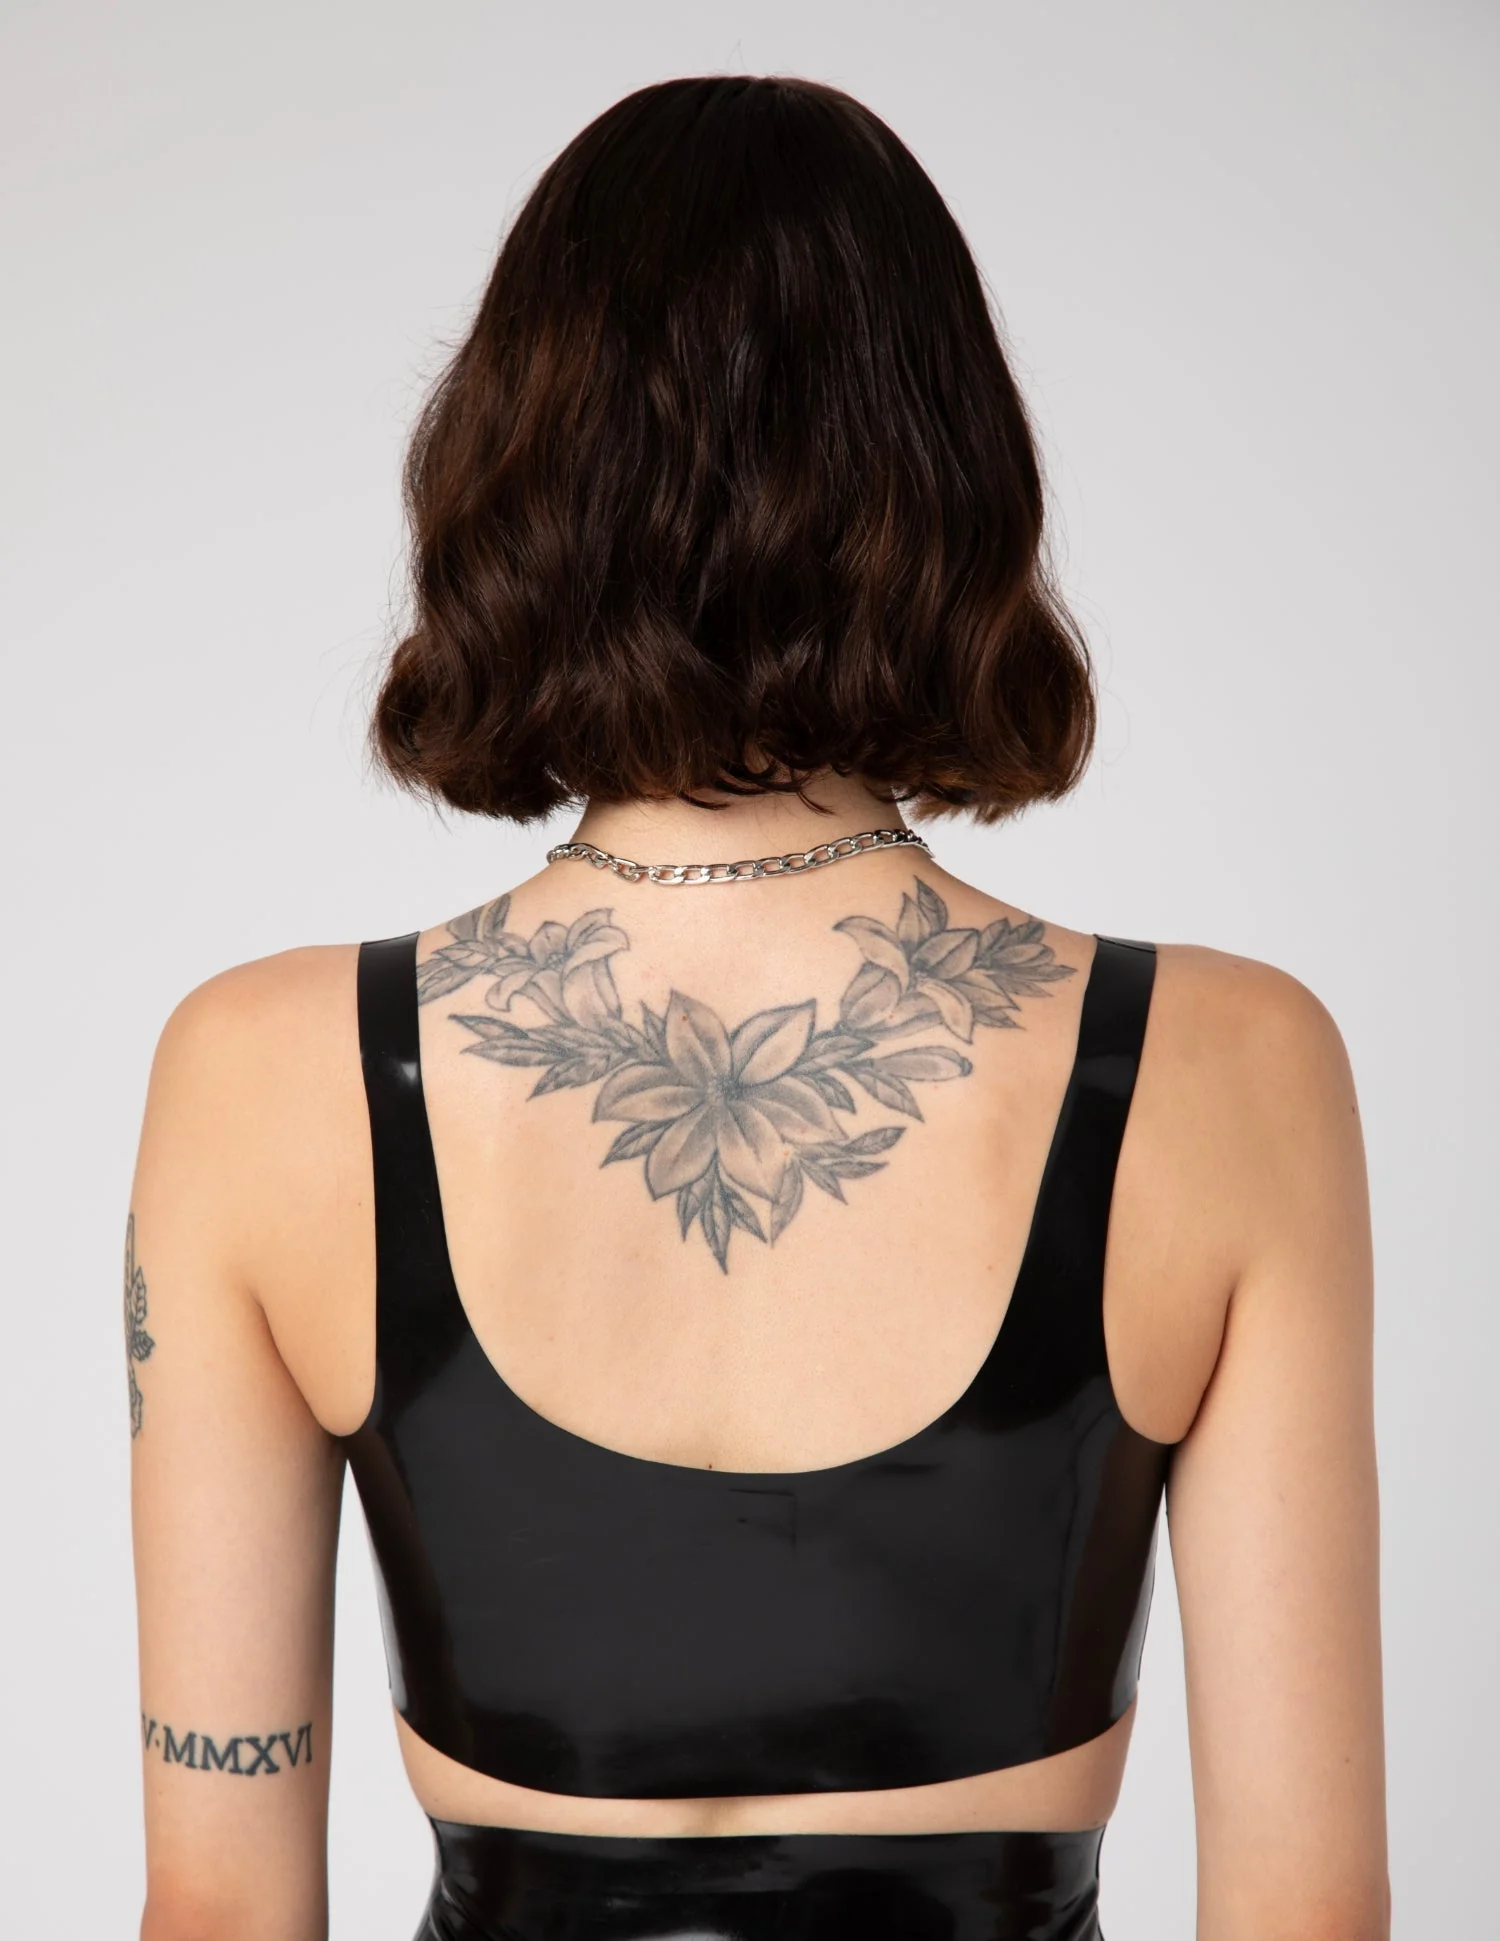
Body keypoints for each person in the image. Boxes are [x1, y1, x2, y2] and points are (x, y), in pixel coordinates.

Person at [128, 75, 1388, 1941]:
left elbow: (222, 1911)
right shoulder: (1228, 1066)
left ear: (513, 477)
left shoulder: (260, 1077)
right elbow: (1309, 1910)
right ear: (956, 478)